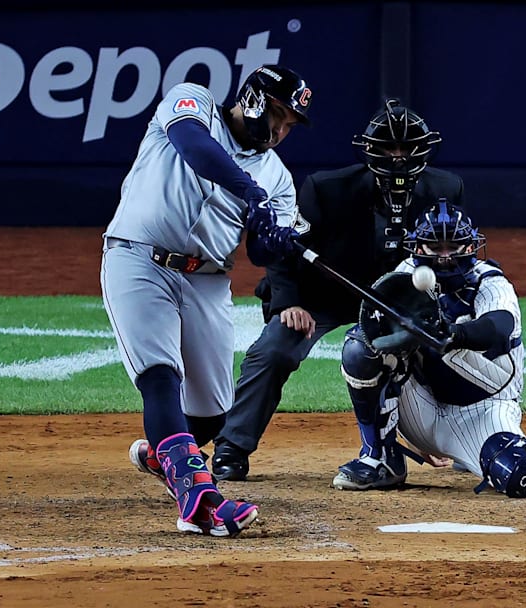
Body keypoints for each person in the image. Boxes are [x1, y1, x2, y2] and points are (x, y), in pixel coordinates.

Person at [103, 64, 312, 536]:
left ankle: (165, 454)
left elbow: (259, 251)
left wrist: (275, 238)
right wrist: (249, 193)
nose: (280, 132)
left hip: (208, 281)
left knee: (211, 414)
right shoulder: (192, 102)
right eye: (278, 115)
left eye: (289, 126)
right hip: (140, 258)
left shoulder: (278, 177)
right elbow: (197, 150)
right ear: (255, 98)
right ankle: (201, 503)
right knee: (160, 378)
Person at [210, 99, 464, 481]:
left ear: (422, 150)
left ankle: (448, 439)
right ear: (370, 151)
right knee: (276, 348)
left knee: (447, 344)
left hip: (397, 302)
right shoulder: (327, 189)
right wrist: (289, 303)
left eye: (406, 148)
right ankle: (231, 446)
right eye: (388, 148)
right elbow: (284, 248)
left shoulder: (446, 189)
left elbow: (451, 260)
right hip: (323, 295)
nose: (397, 158)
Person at [332, 201, 526, 497]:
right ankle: (380, 458)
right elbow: (375, 330)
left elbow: (498, 327)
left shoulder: (490, 283)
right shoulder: (406, 277)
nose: (444, 257)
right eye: (434, 247)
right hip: (423, 406)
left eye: (453, 246)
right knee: (360, 348)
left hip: (484, 409)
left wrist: (454, 333)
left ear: (470, 247)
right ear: (418, 248)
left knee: (524, 475)